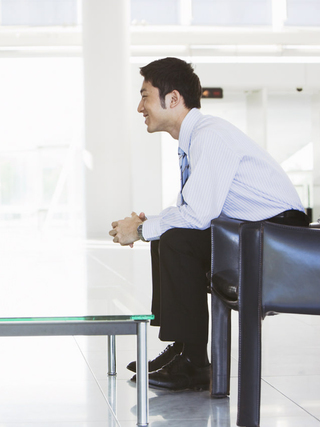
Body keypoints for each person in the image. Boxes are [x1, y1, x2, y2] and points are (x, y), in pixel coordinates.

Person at [109, 57, 308, 391]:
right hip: (255, 234)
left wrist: (140, 230)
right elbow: (192, 212)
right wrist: (150, 226)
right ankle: (184, 349)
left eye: (145, 96)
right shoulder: (194, 140)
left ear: (173, 98)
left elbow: (197, 216)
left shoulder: (209, 136)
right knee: (168, 237)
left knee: (175, 240)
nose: (140, 107)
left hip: (281, 241)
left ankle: (194, 364)